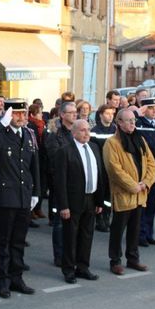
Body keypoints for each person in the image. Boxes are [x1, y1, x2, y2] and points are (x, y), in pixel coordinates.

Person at [0, 100, 40, 298]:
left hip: (23, 195)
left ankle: (17, 278)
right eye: (16, 114)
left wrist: (35, 192)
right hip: (5, 197)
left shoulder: (28, 135)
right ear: (8, 115)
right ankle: (3, 281)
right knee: (3, 243)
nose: (21, 117)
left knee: (18, 242)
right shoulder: (0, 134)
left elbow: (34, 167)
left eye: (23, 114)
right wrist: (1, 124)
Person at [103, 109, 155, 276]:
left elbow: (151, 164)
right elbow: (114, 170)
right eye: (128, 120)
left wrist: (146, 183)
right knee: (118, 229)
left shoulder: (140, 139)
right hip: (124, 195)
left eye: (134, 120)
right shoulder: (112, 143)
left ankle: (133, 258)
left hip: (140, 194)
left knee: (135, 228)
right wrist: (133, 186)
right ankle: (115, 261)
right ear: (119, 122)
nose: (133, 123)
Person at [55, 119, 104, 284]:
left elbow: (99, 175)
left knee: (87, 235)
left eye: (88, 130)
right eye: (82, 130)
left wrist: (99, 201)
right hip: (73, 200)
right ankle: (68, 270)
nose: (86, 133)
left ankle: (83, 267)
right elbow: (60, 181)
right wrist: (63, 205)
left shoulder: (94, 148)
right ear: (74, 132)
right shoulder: (65, 151)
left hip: (91, 198)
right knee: (70, 236)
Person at [44, 101, 78, 267]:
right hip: (61, 183)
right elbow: (56, 160)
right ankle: (59, 255)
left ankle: (73, 254)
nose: (74, 114)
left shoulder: (78, 133)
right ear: (62, 115)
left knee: (75, 221)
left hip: (77, 184)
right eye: (71, 112)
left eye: (75, 112)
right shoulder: (55, 135)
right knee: (60, 222)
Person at [135, 98, 155, 246]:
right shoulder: (138, 124)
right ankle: (139, 234)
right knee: (142, 204)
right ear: (144, 109)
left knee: (152, 204)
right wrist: (137, 114)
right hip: (142, 171)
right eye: (151, 108)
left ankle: (149, 233)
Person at [91, 104, 116, 233]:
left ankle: (107, 217)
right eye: (107, 114)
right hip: (99, 167)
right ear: (101, 115)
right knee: (100, 193)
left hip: (112, 167)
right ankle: (99, 219)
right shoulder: (94, 131)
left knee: (109, 195)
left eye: (112, 114)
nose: (110, 116)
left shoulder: (115, 130)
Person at [27, 104, 46, 221]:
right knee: (33, 184)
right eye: (39, 113)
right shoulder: (31, 125)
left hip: (41, 158)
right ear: (33, 114)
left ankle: (37, 208)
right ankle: (31, 211)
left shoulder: (42, 125)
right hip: (34, 157)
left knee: (41, 185)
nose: (42, 115)